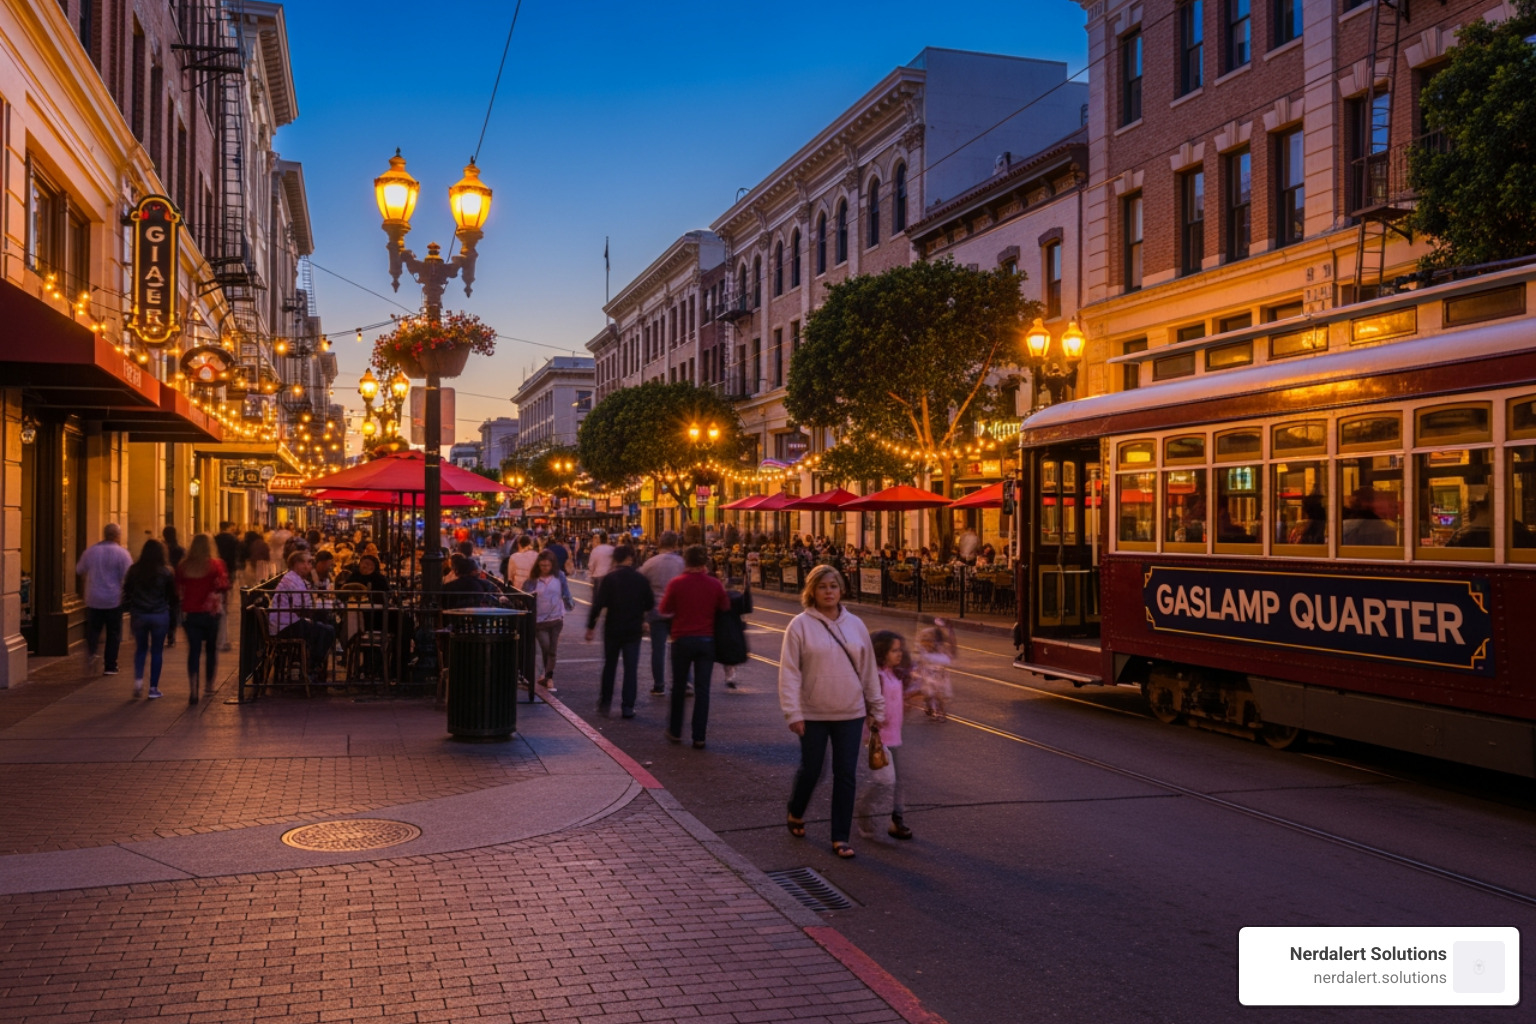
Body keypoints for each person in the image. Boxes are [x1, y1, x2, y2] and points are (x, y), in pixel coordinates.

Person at [778, 564, 885, 859]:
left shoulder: (856, 625)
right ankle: (796, 810)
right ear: (812, 591)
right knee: (813, 769)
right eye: (823, 586)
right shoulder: (799, 625)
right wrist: (793, 712)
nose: (829, 592)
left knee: (845, 774)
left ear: (841, 590)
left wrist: (876, 708)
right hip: (812, 712)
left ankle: (840, 837)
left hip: (850, 712)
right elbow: (789, 672)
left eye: (833, 586)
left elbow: (868, 670)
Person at [658, 545, 729, 749]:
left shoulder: (677, 583)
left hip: (681, 640)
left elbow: (664, 609)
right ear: (704, 562)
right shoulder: (714, 584)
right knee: (703, 690)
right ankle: (699, 736)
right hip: (706, 640)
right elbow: (724, 607)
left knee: (678, 687)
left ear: (685, 562)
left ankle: (675, 731)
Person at [855, 630, 914, 841]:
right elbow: (871, 705)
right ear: (881, 652)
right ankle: (864, 810)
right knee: (884, 780)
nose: (899, 654)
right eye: (894, 650)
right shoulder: (876, 676)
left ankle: (896, 821)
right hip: (876, 738)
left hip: (894, 737)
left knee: (898, 781)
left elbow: (898, 701)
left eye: (900, 650)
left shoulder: (893, 673)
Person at [585, 544, 652, 717]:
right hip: (633, 629)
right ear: (630, 558)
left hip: (613, 627)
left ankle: (605, 702)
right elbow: (650, 603)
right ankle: (628, 706)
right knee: (631, 668)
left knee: (610, 665)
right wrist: (643, 619)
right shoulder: (640, 579)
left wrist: (591, 626)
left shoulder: (609, 579)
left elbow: (598, 604)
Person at [175, 533, 230, 704]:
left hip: (190, 613)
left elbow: (178, 589)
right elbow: (223, 585)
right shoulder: (216, 564)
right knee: (211, 650)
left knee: (194, 651)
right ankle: (208, 686)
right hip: (211, 613)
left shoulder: (184, 566)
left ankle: (193, 689)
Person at [76, 523, 134, 676]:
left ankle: (92, 653)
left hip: (94, 598)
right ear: (117, 535)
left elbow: (80, 569)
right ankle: (110, 665)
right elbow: (128, 576)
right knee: (113, 633)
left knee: (93, 630)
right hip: (113, 599)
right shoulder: (122, 554)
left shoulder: (92, 551)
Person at [123, 539, 178, 699]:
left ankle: (138, 681)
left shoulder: (134, 570)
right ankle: (153, 688)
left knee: (140, 649)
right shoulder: (166, 572)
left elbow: (127, 591)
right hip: (159, 614)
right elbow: (172, 596)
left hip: (139, 613)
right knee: (156, 651)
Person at [268, 550, 333, 684]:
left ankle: (311, 665)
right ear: (296, 564)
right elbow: (301, 607)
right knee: (327, 630)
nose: (308, 566)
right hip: (286, 625)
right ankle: (311, 667)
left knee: (324, 626)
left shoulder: (295, 579)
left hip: (287, 622)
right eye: (305, 562)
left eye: (309, 562)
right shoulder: (292, 580)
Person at [639, 531, 685, 696]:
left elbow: (641, 585)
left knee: (658, 649)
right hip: (677, 611)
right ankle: (685, 682)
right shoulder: (682, 563)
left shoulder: (650, 563)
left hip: (656, 611)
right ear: (675, 545)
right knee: (680, 648)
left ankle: (659, 685)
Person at [524, 550, 573, 689]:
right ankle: (545, 674)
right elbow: (525, 595)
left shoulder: (560, 576)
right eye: (542, 565)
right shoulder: (532, 580)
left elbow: (565, 592)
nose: (545, 568)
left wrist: (569, 604)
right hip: (539, 621)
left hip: (556, 619)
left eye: (547, 565)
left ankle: (548, 677)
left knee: (552, 650)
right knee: (546, 647)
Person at [916, 619, 956, 721]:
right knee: (928, 693)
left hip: (938, 673)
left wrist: (951, 632)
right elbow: (921, 653)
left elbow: (952, 650)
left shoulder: (941, 651)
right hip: (928, 672)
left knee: (938, 693)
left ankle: (941, 712)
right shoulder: (926, 643)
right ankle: (929, 706)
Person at [718, 573, 752, 690]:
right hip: (735, 626)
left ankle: (729, 674)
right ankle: (731, 674)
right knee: (732, 651)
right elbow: (746, 607)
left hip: (722, 627)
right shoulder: (736, 596)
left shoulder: (720, 596)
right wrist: (747, 591)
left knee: (726, 653)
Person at [214, 523, 241, 651]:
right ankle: (227, 598)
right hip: (230, 568)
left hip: (220, 567)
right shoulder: (233, 539)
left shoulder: (217, 538)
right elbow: (237, 553)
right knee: (226, 590)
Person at [161, 526, 185, 648]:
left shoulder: (161, 549)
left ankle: (163, 632)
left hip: (162, 582)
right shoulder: (180, 550)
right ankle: (171, 635)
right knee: (173, 609)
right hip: (175, 582)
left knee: (162, 607)